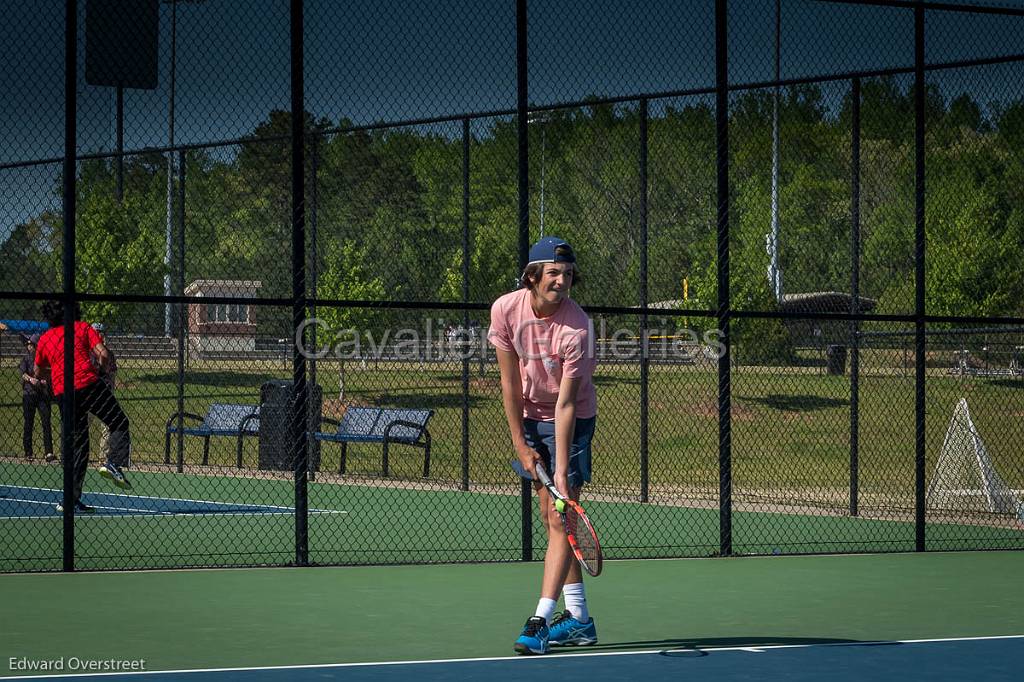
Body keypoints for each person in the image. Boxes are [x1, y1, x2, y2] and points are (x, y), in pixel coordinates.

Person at [488, 236, 599, 655]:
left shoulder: (578, 328)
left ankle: (539, 620)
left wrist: (558, 471)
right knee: (553, 519)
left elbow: (568, 403)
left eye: (568, 274)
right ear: (532, 277)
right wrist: (520, 443)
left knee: (560, 520)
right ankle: (580, 622)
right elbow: (509, 382)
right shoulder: (505, 309)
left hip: (571, 418)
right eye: (553, 273)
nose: (562, 281)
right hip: (531, 417)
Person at [34, 301, 132, 514]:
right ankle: (113, 463)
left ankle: (70, 500)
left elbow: (38, 373)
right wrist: (102, 373)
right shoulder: (82, 328)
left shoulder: (44, 339)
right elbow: (103, 354)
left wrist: (53, 364)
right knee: (119, 421)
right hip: (88, 384)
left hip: (63, 393)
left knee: (79, 447)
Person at [19, 334, 55, 462]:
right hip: (29, 394)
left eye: (32, 345)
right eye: (28, 345)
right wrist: (31, 379)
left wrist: (46, 380)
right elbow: (22, 373)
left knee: (46, 423)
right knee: (29, 423)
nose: (29, 347)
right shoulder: (26, 359)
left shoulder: (44, 359)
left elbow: (49, 373)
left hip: (43, 395)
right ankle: (28, 452)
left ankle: (49, 452)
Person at [89, 322, 117, 463]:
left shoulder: (109, 354)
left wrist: (111, 390)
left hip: (105, 394)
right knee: (83, 425)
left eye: (102, 332)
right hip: (89, 394)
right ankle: (81, 454)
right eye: (97, 332)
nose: (100, 335)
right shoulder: (87, 353)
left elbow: (112, 374)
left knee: (107, 426)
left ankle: (103, 457)